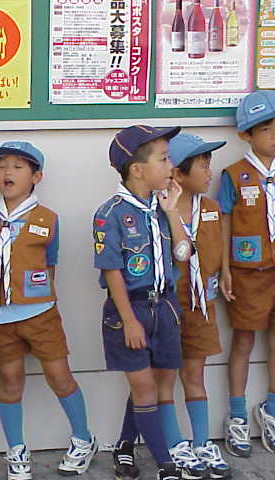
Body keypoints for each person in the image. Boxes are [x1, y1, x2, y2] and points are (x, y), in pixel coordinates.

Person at [0, 141, 97, 479]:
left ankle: (83, 439)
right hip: (0, 315)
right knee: (10, 381)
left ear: (36, 177)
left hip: (41, 315)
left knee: (60, 377)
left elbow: (51, 262)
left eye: (18, 167)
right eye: (2, 166)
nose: (8, 172)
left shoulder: (48, 218)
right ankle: (16, 450)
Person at [93, 126, 195, 480]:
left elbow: (183, 253)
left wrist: (173, 211)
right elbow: (112, 271)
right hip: (131, 309)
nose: (171, 166)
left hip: (165, 307)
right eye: (163, 159)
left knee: (154, 384)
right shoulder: (110, 214)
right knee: (145, 387)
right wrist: (129, 320)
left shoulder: (162, 207)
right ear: (137, 169)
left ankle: (124, 445)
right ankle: (166, 465)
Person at [169, 134, 231, 478]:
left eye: (210, 165)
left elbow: (218, 247)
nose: (210, 172)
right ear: (178, 174)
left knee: (195, 374)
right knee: (162, 378)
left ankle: (202, 443)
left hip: (202, 305)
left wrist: (225, 274)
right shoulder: (159, 210)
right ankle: (174, 445)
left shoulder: (210, 208)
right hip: (167, 307)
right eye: (203, 166)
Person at [217, 90, 275, 457]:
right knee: (243, 340)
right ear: (246, 135)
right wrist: (224, 268)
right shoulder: (234, 175)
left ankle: (272, 409)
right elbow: (223, 222)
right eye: (266, 129)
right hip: (248, 273)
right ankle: (237, 414)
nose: (274, 136)